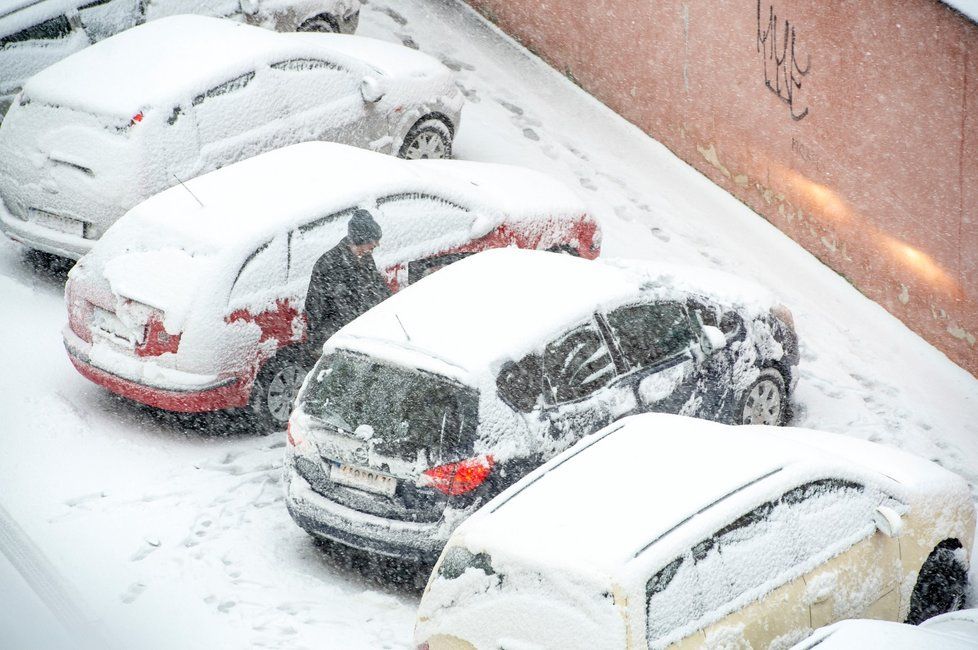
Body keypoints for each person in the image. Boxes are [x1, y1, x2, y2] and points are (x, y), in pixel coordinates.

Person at [302, 209, 392, 361]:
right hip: (341, 341)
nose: (377, 244)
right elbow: (316, 309)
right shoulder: (329, 265)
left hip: (363, 336)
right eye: (373, 240)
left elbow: (378, 289)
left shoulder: (366, 258)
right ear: (360, 239)